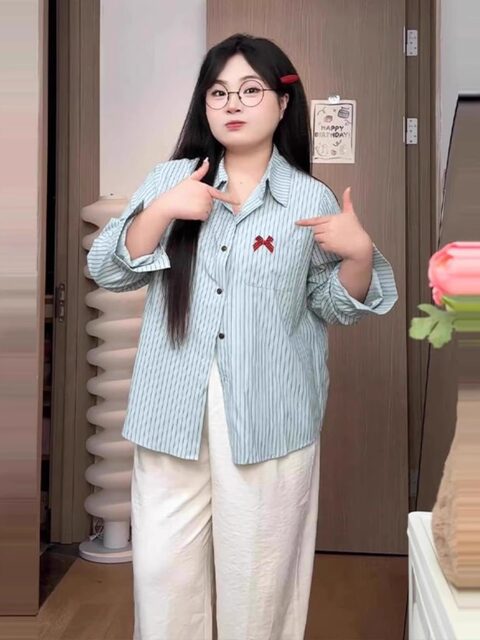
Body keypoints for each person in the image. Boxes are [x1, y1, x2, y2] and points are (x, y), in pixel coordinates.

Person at [87, 32, 398, 640]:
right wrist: (162, 209)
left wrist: (359, 256)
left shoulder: (308, 198)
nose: (232, 103)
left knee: (259, 584)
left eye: (251, 90)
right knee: (163, 579)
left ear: (282, 104)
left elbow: (333, 305)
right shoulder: (173, 178)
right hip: (171, 410)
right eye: (218, 92)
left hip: (271, 417)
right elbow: (108, 269)